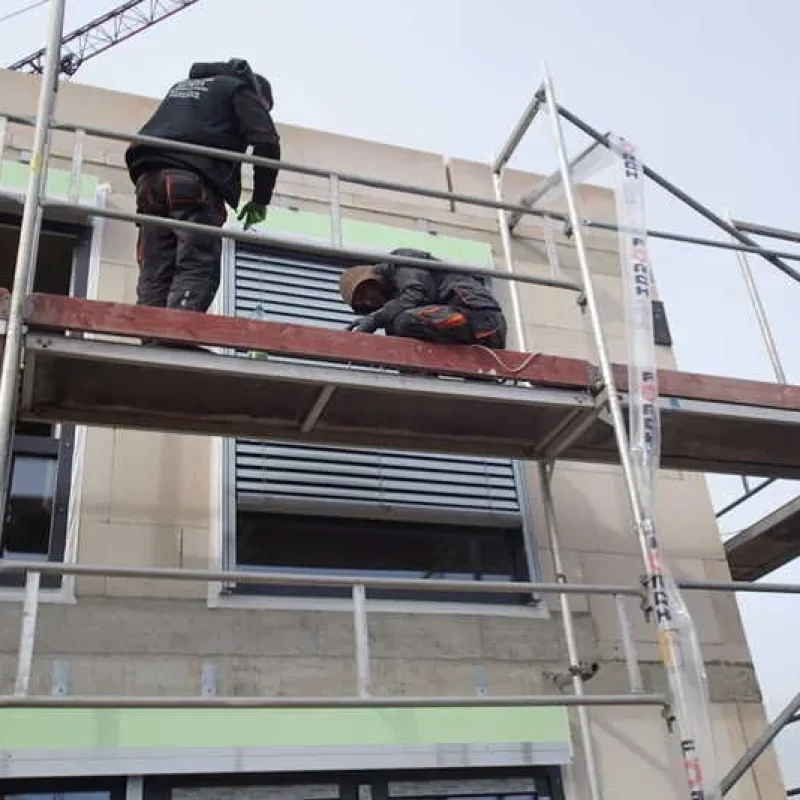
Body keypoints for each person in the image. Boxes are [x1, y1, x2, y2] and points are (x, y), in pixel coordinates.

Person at [125, 58, 280, 323]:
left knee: (155, 267)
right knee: (198, 263)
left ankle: (150, 337)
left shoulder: (184, 88)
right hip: (192, 179)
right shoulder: (239, 90)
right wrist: (260, 199)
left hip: (148, 179)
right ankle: (175, 336)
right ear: (260, 97)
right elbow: (267, 141)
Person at [339, 248, 507, 349]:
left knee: (403, 322)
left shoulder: (400, 260)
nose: (369, 302)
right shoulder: (395, 307)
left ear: (371, 279)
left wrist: (376, 319)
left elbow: (417, 293)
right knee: (397, 331)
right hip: (471, 336)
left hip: (481, 319)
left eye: (364, 294)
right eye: (363, 304)